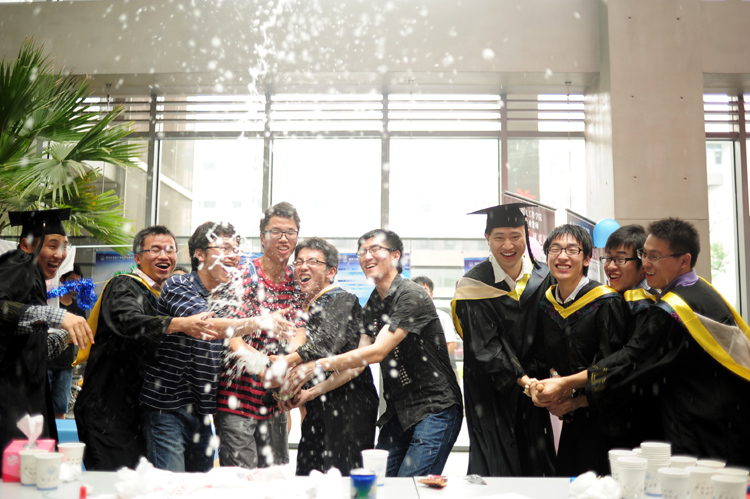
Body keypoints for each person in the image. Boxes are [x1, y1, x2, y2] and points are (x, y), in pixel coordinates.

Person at [534, 218, 750, 467]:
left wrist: (568, 386)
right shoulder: (698, 290)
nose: (645, 263)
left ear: (684, 260)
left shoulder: (673, 310)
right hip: (716, 416)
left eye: (654, 257)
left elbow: (632, 361)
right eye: (644, 255)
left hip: (704, 423)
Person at [294, 229, 463, 477]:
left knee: (410, 486)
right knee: (378, 483)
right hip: (397, 412)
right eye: (362, 251)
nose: (367, 256)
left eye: (375, 249)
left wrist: (318, 364)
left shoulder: (411, 295)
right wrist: (310, 393)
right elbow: (357, 362)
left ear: (395, 256)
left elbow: (377, 352)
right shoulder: (374, 302)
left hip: (435, 408)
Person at [139, 221, 292, 472]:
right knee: (171, 484)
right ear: (200, 254)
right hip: (167, 408)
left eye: (236, 249)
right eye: (224, 249)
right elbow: (209, 327)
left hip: (202, 411)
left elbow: (235, 343)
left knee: (201, 484)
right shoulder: (179, 285)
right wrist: (261, 321)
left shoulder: (229, 296)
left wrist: (270, 367)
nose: (233, 256)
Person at [74, 226, 216, 471]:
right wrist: (180, 324)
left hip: (142, 410)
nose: (164, 255)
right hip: (109, 408)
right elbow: (127, 321)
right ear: (137, 258)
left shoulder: (168, 295)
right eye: (155, 249)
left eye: (170, 250)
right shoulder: (124, 285)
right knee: (117, 482)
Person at [450, 203, 556, 477]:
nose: (508, 245)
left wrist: (549, 378)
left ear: (526, 235)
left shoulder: (545, 277)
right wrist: (525, 381)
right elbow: (486, 346)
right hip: (490, 391)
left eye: (515, 236)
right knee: (496, 466)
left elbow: (551, 334)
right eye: (499, 237)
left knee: (534, 464)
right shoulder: (474, 285)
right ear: (487, 238)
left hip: (534, 390)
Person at [272, 237, 378, 476]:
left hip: (348, 405)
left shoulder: (343, 299)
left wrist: (285, 363)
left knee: (341, 477)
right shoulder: (304, 307)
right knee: (311, 474)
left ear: (331, 272)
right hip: (317, 402)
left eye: (312, 261)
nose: (303, 267)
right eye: (299, 262)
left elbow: (325, 343)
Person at [534, 224, 628, 477]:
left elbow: (615, 366)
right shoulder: (546, 302)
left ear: (587, 259)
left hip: (607, 419)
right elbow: (544, 354)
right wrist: (552, 383)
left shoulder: (606, 302)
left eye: (572, 250)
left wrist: (577, 400)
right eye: (555, 249)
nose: (562, 256)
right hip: (571, 418)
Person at [215, 202, 304, 469]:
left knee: (274, 478)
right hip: (237, 400)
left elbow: (300, 331)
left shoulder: (297, 282)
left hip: (275, 401)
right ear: (262, 236)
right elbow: (231, 336)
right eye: (275, 232)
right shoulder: (242, 277)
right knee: (241, 481)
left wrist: (285, 363)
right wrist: (266, 365)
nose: (283, 238)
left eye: (290, 232)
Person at [0, 209, 93, 451]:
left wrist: (69, 335)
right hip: (9, 400)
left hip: (26, 398)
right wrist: (58, 316)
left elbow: (31, 346)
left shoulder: (35, 276)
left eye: (64, 247)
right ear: (26, 245)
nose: (60, 255)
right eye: (52, 245)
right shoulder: (18, 263)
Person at [47, 265, 86, 419]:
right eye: (71, 280)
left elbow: (79, 334)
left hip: (66, 364)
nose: (75, 284)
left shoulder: (79, 307)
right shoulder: (52, 303)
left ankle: (59, 432)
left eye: (78, 281)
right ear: (62, 280)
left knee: (61, 405)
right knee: (41, 404)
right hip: (46, 361)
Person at [413, 276, 459, 371]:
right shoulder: (406, 317)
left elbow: (452, 344)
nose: (420, 293)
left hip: (438, 369)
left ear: (431, 295)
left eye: (424, 289)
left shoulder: (442, 316)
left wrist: (436, 362)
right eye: (416, 289)